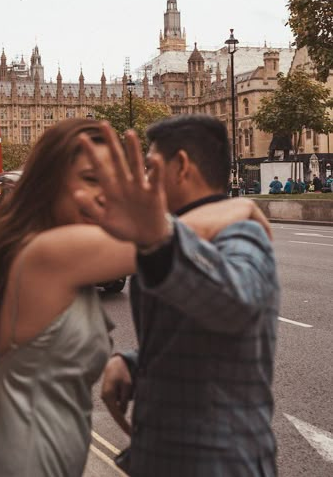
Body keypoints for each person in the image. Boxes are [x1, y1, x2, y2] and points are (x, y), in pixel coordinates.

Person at [0, 119, 265, 477]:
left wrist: (131, 363)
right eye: (91, 179)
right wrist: (235, 208)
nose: (105, 195)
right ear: (48, 185)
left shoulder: (54, 253)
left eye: (110, 182)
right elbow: (158, 239)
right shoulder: (48, 253)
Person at [76, 115, 279, 477]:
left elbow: (237, 304)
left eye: (152, 168)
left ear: (182, 166)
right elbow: (196, 333)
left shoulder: (242, 233)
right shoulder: (181, 232)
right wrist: (136, 363)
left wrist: (160, 237)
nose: (145, 181)